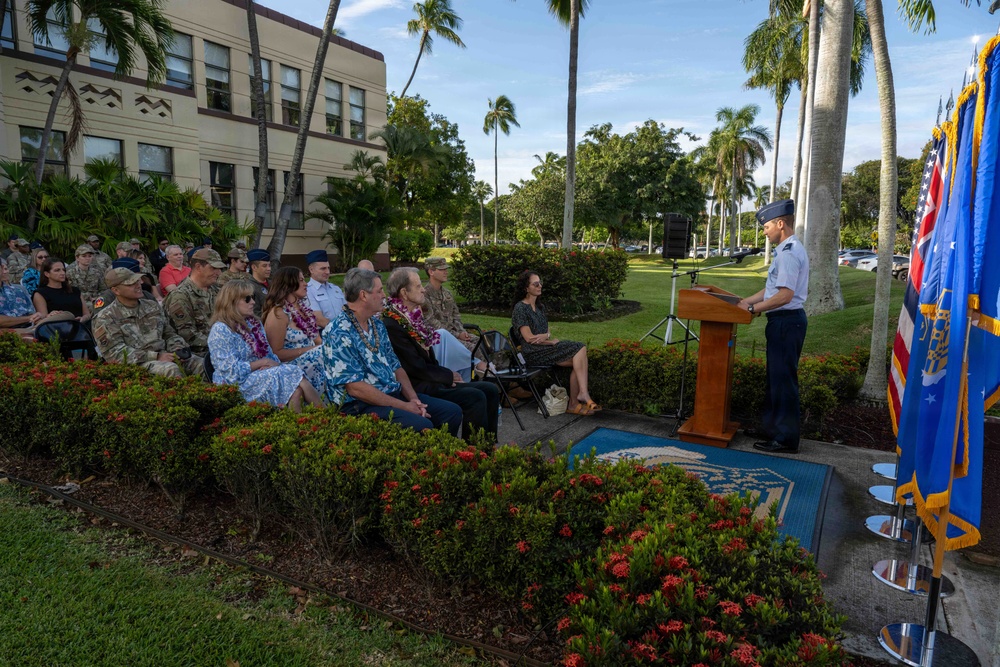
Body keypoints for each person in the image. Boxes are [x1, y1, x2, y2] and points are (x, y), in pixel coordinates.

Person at [320, 268, 463, 435]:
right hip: (360, 405)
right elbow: (355, 388)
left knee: (451, 412)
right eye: (379, 290)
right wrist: (404, 406)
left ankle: (444, 458)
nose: (384, 296)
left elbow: (396, 367)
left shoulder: (376, 324)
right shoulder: (338, 331)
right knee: (422, 424)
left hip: (391, 395)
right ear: (363, 295)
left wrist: (413, 399)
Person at [383, 268, 500, 442]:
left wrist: (446, 375)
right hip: (419, 386)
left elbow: (428, 359)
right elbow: (414, 366)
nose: (423, 289)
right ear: (404, 293)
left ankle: (487, 448)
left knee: (490, 389)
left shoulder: (413, 317)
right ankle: (472, 454)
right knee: (475, 397)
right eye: (417, 286)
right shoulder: (393, 323)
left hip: (431, 379)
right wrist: (447, 375)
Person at [736, 199, 810, 454]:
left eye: (767, 226)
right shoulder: (786, 250)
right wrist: (747, 300)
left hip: (786, 323)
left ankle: (786, 439)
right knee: (775, 380)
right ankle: (772, 429)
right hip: (783, 323)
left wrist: (752, 309)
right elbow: (772, 290)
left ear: (781, 224)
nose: (765, 231)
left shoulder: (789, 254)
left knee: (783, 381)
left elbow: (785, 296)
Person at [208, 280, 322, 411]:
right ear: (232, 302)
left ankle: (300, 428)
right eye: (247, 299)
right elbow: (230, 371)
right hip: (235, 384)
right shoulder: (221, 330)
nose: (253, 302)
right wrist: (262, 363)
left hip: (259, 376)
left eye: (253, 297)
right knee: (293, 372)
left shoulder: (253, 324)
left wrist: (272, 364)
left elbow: (269, 354)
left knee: (295, 391)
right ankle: (325, 415)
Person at [513, 270, 600, 416]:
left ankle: (574, 404)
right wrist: (550, 341)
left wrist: (546, 337)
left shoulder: (540, 308)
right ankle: (582, 395)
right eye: (535, 284)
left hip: (545, 349)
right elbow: (529, 338)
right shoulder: (520, 308)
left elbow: (545, 333)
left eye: (540, 283)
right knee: (580, 347)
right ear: (526, 288)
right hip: (532, 353)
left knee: (578, 361)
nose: (540, 286)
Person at [91, 267, 205, 378]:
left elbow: (169, 333)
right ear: (116, 290)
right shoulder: (106, 317)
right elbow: (115, 353)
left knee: (202, 364)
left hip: (166, 355)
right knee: (170, 370)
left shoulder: (151, 306)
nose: (138, 285)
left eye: (137, 281)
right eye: (131, 284)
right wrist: (156, 356)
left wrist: (177, 348)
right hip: (136, 364)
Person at [263, 266, 327, 397]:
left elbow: (318, 340)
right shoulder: (279, 313)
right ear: (289, 284)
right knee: (323, 353)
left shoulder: (304, 309)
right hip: (291, 365)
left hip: (313, 358)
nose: (306, 284)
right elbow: (275, 354)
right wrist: (312, 350)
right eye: (301, 280)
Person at [163, 248, 223, 356]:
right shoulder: (180, 296)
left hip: (220, 347)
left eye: (219, 269)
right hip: (200, 353)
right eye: (214, 268)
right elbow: (188, 335)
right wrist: (221, 344)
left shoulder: (216, 290)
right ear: (198, 267)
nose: (218, 272)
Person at [32, 257, 91, 324]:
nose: (62, 273)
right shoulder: (40, 293)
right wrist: (50, 316)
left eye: (63, 270)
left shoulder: (75, 290)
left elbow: (87, 314)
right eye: (57, 270)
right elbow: (41, 319)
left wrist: (83, 319)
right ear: (47, 274)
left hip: (80, 327)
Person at [91, 258, 156, 317]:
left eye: (138, 279)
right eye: (132, 281)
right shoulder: (107, 299)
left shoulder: (148, 297)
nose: (141, 282)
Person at [0, 257, 44, 328]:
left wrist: (39, 317)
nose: (5, 271)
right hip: (6, 335)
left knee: (62, 317)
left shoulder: (18, 290)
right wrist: (28, 319)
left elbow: (33, 315)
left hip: (30, 330)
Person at [304, 249, 345, 323]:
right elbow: (318, 319)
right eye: (323, 268)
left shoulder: (335, 288)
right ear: (311, 270)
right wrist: (338, 331)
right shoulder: (307, 291)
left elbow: (347, 310)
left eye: (328, 268)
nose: (327, 272)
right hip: (324, 332)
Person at [245, 248, 271, 318]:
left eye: (269, 265)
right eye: (264, 266)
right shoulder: (248, 287)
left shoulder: (273, 284)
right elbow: (254, 314)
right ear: (254, 267)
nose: (269, 269)